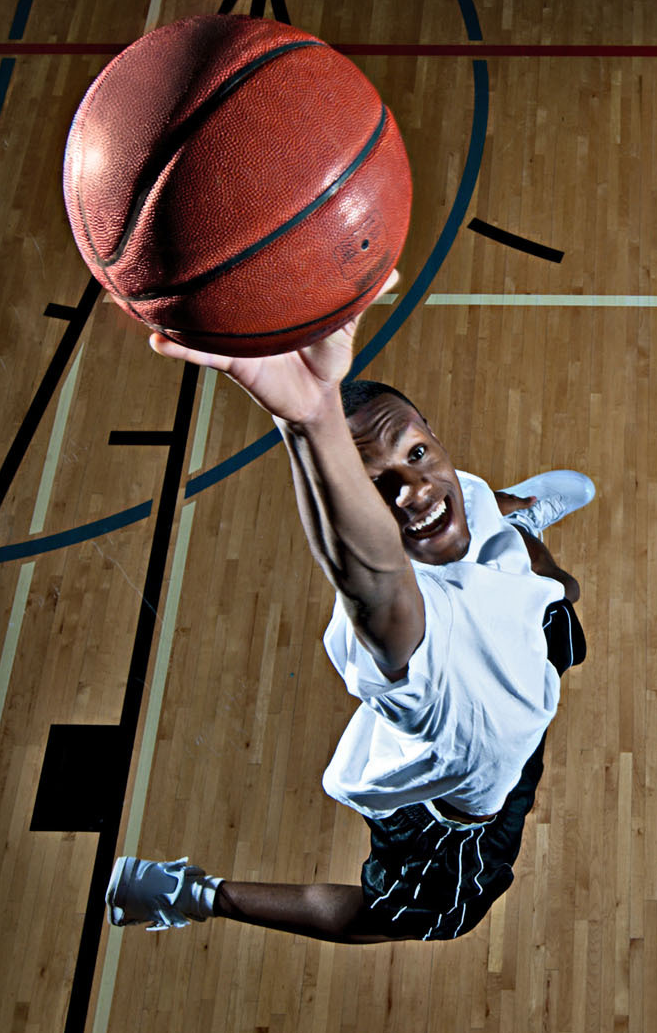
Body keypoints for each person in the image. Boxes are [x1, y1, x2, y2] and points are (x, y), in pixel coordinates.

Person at [105, 272, 592, 943]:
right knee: (421, 920)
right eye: (378, 487)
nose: (415, 489)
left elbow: (442, 491)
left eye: (419, 452)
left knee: (556, 597)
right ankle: (192, 894)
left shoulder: (454, 499)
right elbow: (374, 575)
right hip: (454, 810)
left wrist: (512, 539)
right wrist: (307, 418)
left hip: (513, 680)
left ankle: (521, 522)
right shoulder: (411, 644)